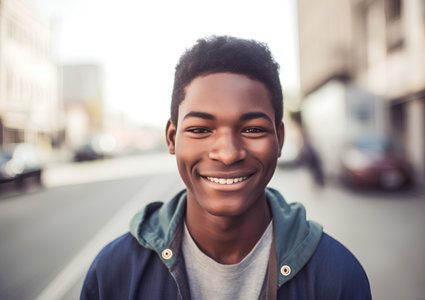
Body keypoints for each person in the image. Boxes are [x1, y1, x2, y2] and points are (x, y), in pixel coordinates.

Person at [80, 35, 371, 300]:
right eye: (200, 130)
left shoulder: (337, 276)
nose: (228, 153)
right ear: (172, 138)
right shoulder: (114, 274)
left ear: (279, 139)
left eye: (253, 130)